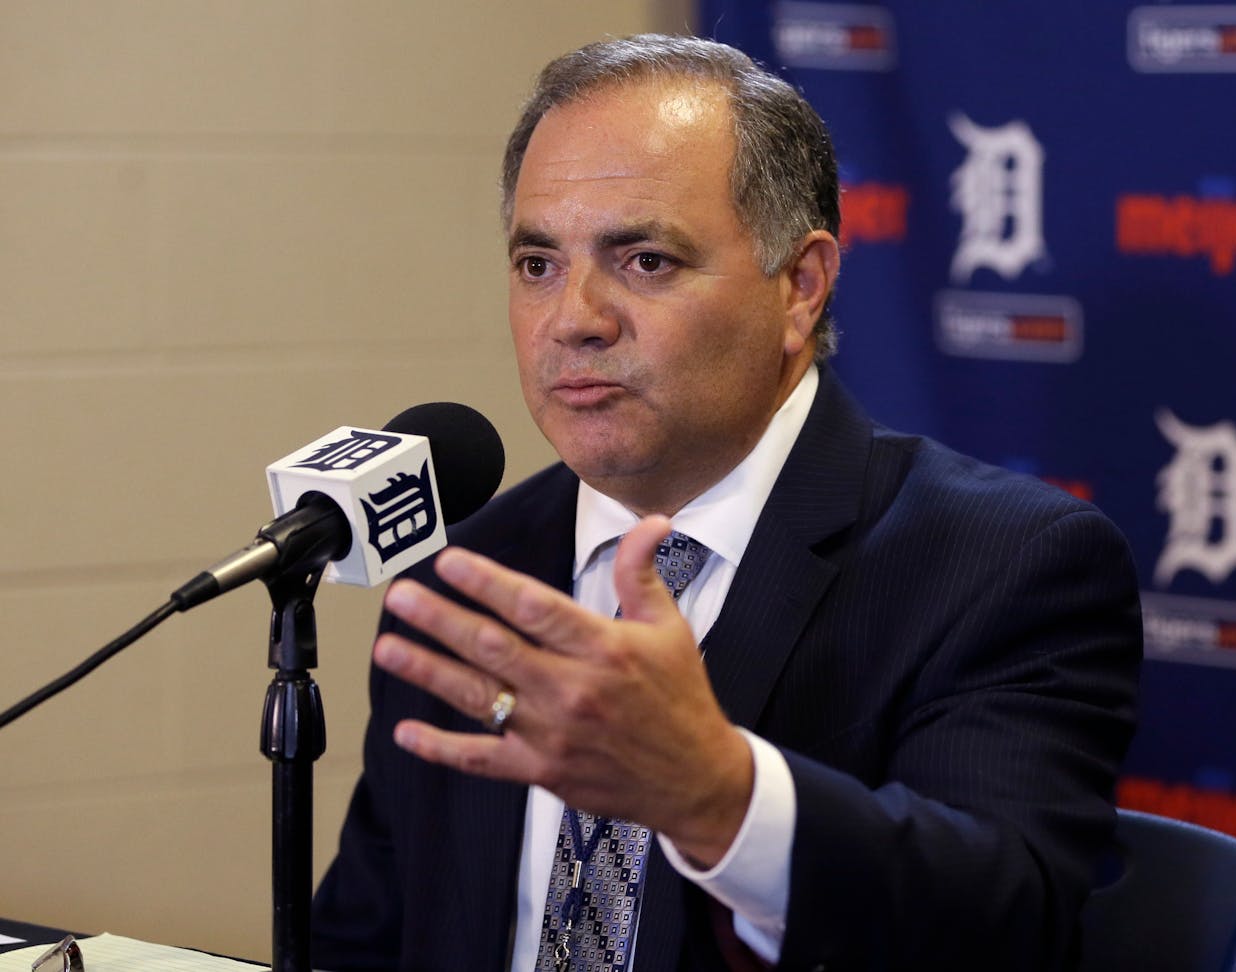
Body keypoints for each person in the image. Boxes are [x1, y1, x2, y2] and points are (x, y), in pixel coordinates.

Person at [310, 33, 1141, 972]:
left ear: (801, 285)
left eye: (646, 261)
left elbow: (1007, 920)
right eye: (537, 264)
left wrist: (719, 799)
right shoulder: (471, 574)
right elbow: (365, 942)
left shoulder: (1000, 563)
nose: (573, 318)